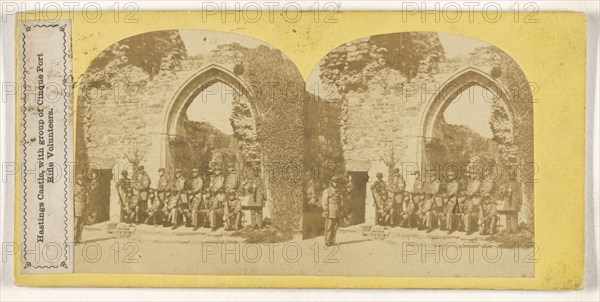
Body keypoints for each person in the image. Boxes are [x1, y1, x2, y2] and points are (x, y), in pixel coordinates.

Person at [321, 176, 343, 246]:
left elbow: (341, 200)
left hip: (337, 209)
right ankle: (327, 241)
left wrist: (340, 208)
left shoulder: (338, 191)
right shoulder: (327, 190)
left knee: (335, 226)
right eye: (334, 182)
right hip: (330, 209)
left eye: (337, 182)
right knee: (329, 225)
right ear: (331, 182)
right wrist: (326, 209)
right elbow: (324, 201)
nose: (336, 184)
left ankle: (333, 240)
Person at [74, 175, 88, 243]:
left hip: (83, 205)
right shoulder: (74, 187)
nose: (81, 181)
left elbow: (87, 196)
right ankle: (73, 239)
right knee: (76, 223)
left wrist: (87, 203)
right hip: (77, 205)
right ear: (77, 180)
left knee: (81, 224)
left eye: (82, 180)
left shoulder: (85, 187)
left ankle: (79, 239)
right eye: (80, 179)